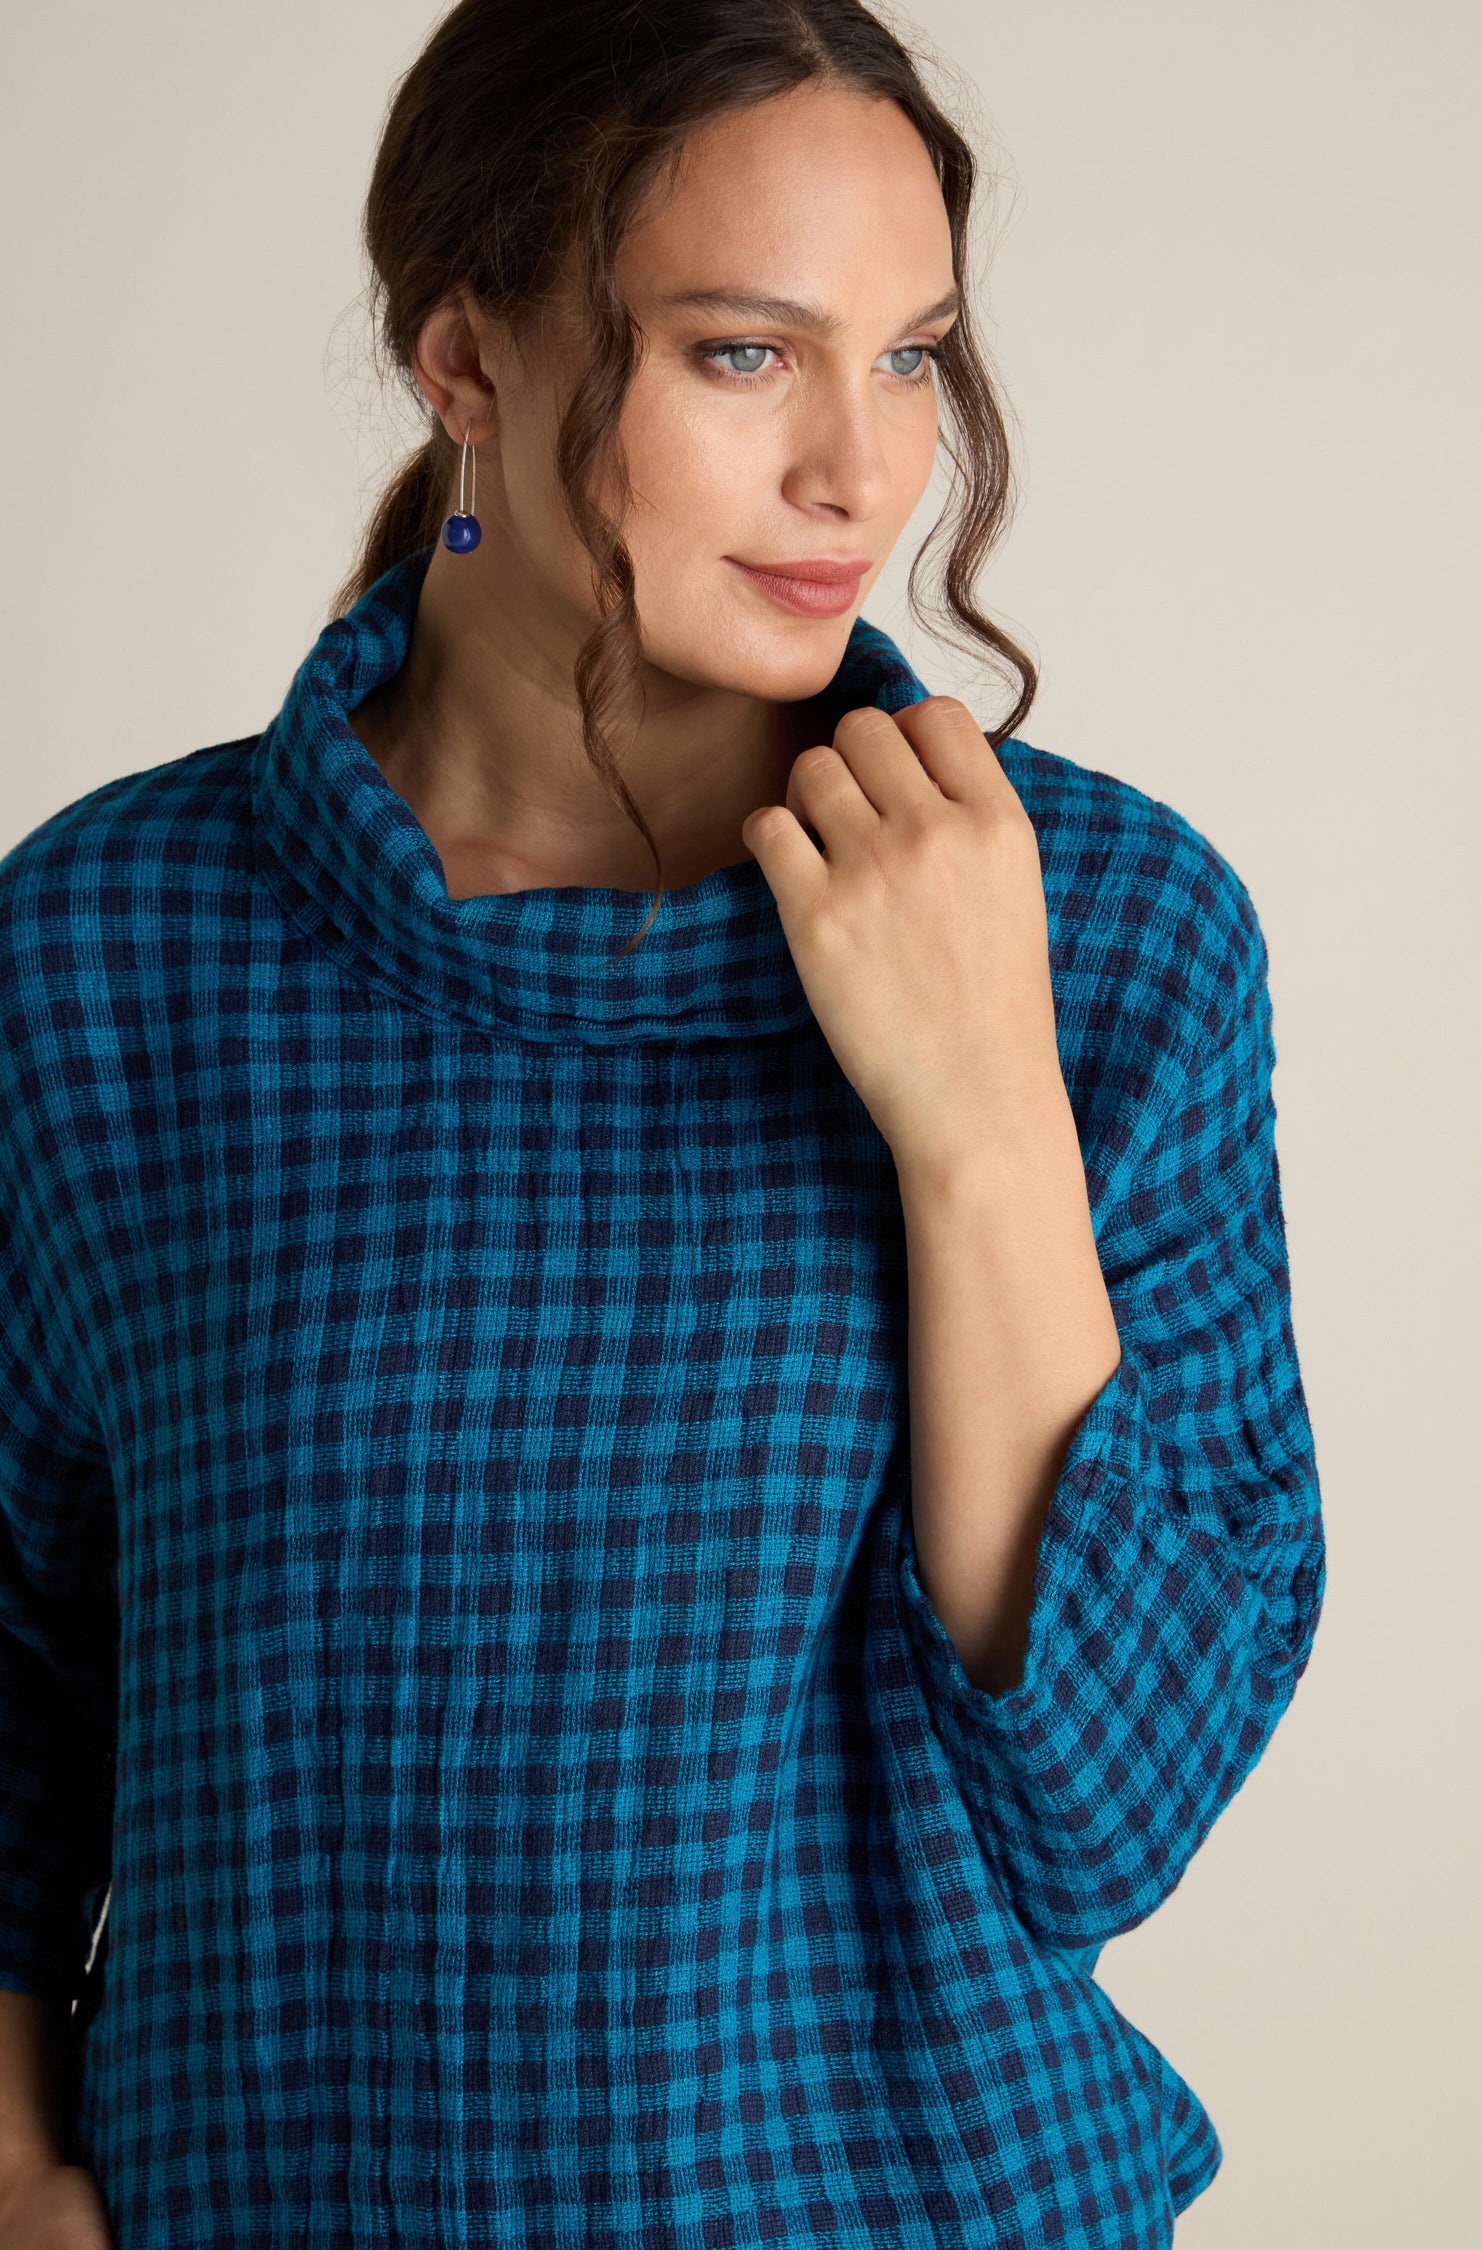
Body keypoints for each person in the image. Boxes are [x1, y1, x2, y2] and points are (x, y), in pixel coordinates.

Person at [0, 2, 1327, 2244]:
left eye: (909, 355)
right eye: (744, 355)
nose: (863, 472)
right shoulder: (108, 953)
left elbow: (1120, 1807)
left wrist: (983, 1114)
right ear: (467, 362)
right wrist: (23, 2168)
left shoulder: (1106, 936)